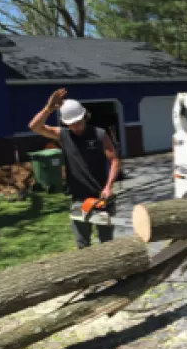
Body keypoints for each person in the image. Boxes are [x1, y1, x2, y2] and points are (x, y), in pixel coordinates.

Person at [29, 88, 120, 249]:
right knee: (82, 245)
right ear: (65, 123)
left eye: (78, 122)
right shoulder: (63, 135)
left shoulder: (99, 134)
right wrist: (48, 109)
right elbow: (35, 127)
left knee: (107, 244)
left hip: (101, 197)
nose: (76, 126)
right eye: (71, 124)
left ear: (85, 117)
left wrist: (108, 187)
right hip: (78, 199)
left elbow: (114, 161)